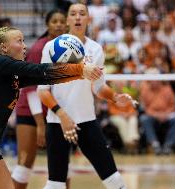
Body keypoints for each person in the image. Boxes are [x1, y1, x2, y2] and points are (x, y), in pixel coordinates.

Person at [0, 26, 103, 189]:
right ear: (4, 47)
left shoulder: (12, 75)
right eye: (19, 41)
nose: (24, 45)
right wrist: (80, 69)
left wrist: (82, 74)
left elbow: (45, 78)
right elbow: (39, 70)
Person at [37, 3, 135, 189]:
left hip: (87, 121)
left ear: (88, 19)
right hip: (58, 122)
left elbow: (99, 87)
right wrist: (63, 116)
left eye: (82, 13)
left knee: (113, 178)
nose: (78, 17)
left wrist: (114, 97)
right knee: (56, 183)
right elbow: (42, 91)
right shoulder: (52, 47)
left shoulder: (96, 49)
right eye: (73, 14)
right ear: (67, 20)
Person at [11, 9, 67, 189]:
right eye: (54, 21)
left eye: (61, 21)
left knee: (63, 167)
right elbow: (31, 88)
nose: (58, 24)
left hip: (54, 110)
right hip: (30, 109)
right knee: (24, 165)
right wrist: (40, 125)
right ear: (47, 25)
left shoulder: (69, 46)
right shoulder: (39, 48)